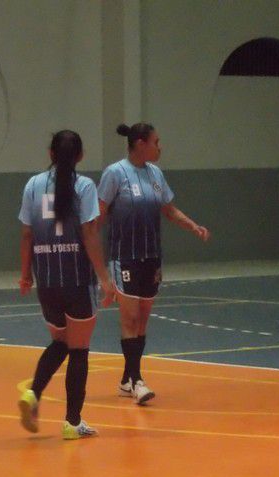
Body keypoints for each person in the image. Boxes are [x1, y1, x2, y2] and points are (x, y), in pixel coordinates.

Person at [98, 122, 209, 405]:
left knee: (143, 320)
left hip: (151, 257)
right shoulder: (115, 173)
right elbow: (98, 215)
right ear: (140, 144)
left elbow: (169, 209)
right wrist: (93, 256)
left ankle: (127, 380)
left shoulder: (155, 174)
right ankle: (137, 381)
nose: (160, 147)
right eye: (156, 142)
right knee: (130, 319)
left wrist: (193, 226)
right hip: (124, 256)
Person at [17, 130, 115, 438]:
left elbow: (27, 235)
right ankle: (72, 422)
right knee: (79, 349)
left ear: (50, 153)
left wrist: (25, 274)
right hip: (77, 280)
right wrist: (104, 278)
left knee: (61, 342)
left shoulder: (33, 185)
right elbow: (89, 233)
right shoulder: (84, 186)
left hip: (47, 280)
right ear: (80, 156)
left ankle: (33, 393)